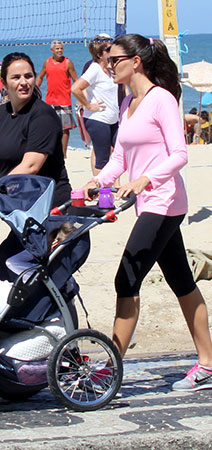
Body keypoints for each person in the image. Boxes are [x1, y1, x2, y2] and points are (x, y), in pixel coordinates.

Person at [83, 34, 212, 392]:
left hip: (165, 201)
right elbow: (120, 159)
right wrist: (99, 180)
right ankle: (208, 364)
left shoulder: (162, 100)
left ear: (135, 61)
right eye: (107, 61)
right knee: (182, 282)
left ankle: (111, 368)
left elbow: (179, 154)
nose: (109, 66)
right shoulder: (129, 103)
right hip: (150, 204)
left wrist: (144, 180)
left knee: (126, 279)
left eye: (114, 60)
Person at [0, 52, 72, 281]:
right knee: (4, 270)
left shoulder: (42, 115)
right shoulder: (0, 114)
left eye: (28, 76)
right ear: (4, 82)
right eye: (16, 77)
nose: (23, 82)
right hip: (22, 211)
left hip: (50, 212)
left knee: (16, 273)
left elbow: (30, 165)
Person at [71, 34, 119, 176]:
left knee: (118, 154)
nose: (112, 51)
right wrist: (89, 105)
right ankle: (102, 191)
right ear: (99, 54)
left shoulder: (110, 69)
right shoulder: (95, 69)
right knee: (102, 158)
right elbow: (75, 88)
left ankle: (110, 185)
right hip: (98, 120)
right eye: (109, 49)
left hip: (113, 119)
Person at [37, 40, 78, 158]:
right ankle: (51, 151)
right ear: (52, 50)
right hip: (49, 101)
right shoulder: (47, 62)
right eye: (57, 49)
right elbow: (40, 77)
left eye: (61, 48)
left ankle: (63, 154)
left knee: (65, 129)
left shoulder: (68, 63)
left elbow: (76, 81)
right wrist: (34, 91)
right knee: (50, 128)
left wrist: (80, 97)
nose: (59, 50)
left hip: (64, 101)